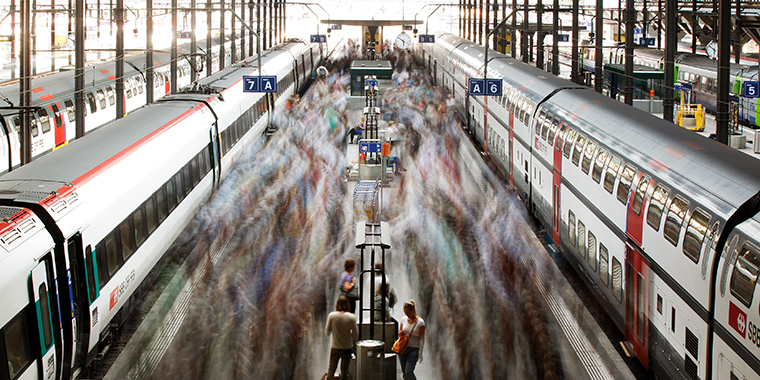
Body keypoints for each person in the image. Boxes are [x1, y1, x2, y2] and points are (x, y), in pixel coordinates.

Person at [325, 296, 358, 380]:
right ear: (348, 305)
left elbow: (327, 332)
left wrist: (334, 329)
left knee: (331, 370)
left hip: (335, 347)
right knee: (344, 371)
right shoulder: (352, 317)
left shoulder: (332, 316)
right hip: (347, 347)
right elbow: (355, 335)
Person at [398, 300, 425, 380]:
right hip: (403, 349)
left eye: (408, 313)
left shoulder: (420, 322)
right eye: (405, 313)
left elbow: (421, 337)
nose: (407, 315)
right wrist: (401, 333)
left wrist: (421, 353)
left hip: (413, 350)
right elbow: (400, 334)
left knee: (408, 371)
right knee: (405, 373)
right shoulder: (403, 319)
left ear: (413, 310)